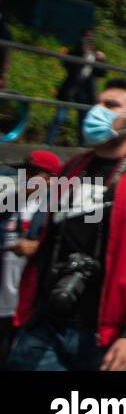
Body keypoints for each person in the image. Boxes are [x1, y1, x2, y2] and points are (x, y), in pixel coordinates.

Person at [9, 80, 126, 371]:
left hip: (108, 338)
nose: (96, 111)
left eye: (111, 105)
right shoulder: (72, 169)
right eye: (98, 103)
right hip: (47, 327)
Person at [0, 150, 57, 367]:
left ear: (52, 179)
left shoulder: (55, 212)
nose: (25, 178)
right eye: (24, 172)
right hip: (4, 307)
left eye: (33, 173)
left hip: (33, 309)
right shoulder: (7, 206)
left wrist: (37, 248)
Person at [43, 29, 105, 146]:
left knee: (83, 121)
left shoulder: (96, 56)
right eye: (86, 39)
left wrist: (101, 61)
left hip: (85, 93)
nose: (88, 41)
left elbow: (102, 73)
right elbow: (67, 66)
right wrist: (81, 54)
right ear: (80, 39)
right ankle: (47, 144)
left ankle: (81, 147)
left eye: (91, 39)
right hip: (70, 90)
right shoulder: (74, 53)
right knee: (59, 118)